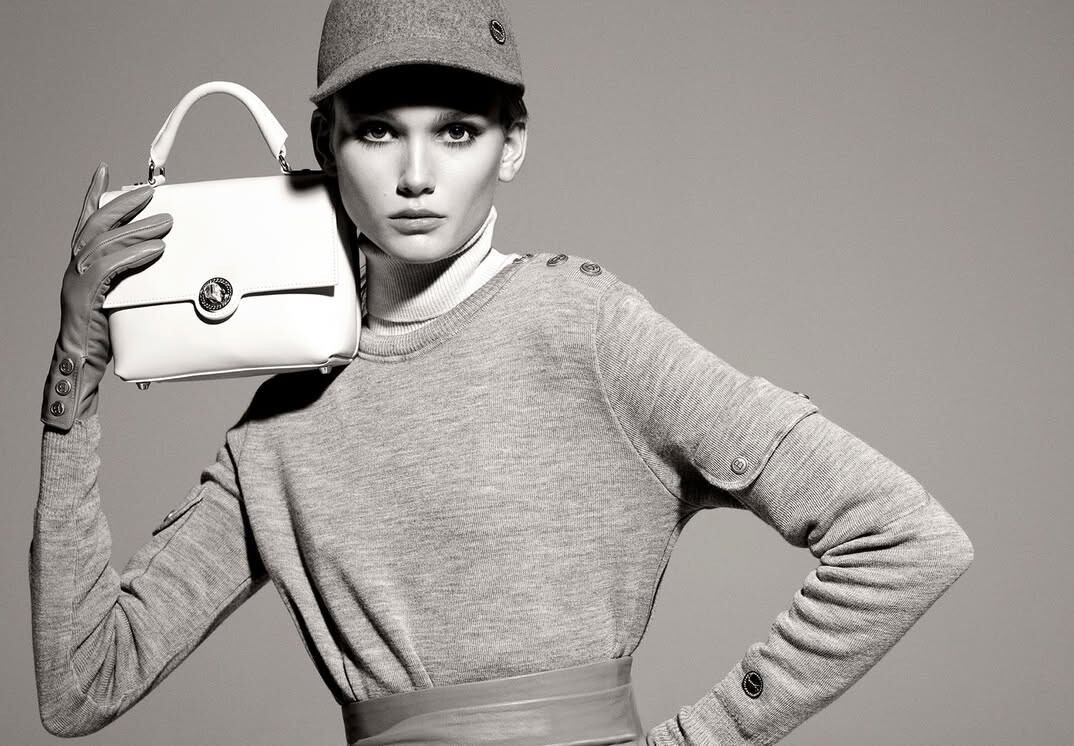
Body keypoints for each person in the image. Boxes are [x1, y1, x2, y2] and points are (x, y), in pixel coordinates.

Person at [30, 0, 974, 743]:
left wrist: (710, 736)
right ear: (324, 146)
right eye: (377, 131)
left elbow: (904, 537)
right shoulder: (282, 419)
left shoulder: (586, 329)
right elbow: (82, 682)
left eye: (456, 131)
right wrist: (74, 378)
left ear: (512, 143)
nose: (415, 174)